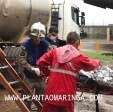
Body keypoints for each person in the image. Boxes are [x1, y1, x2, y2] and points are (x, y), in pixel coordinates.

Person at [36, 32, 100, 112]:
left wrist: (48, 73)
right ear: (77, 42)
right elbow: (92, 65)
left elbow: (40, 62)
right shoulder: (78, 56)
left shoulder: (55, 51)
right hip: (67, 96)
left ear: (67, 41)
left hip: (51, 94)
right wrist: (98, 62)